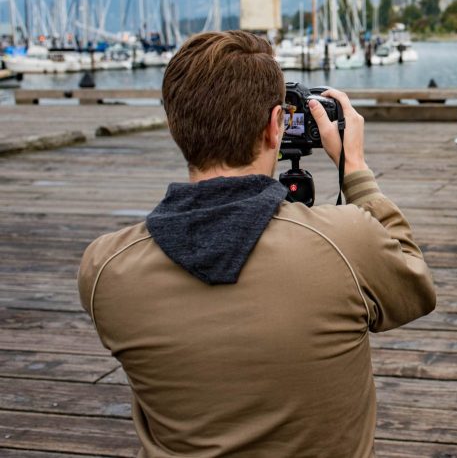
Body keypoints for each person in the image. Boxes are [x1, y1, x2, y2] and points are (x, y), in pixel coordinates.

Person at [78, 31, 436, 457]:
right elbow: (415, 284)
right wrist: (354, 169)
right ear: (275, 125)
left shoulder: (104, 268)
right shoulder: (347, 241)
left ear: (175, 126)